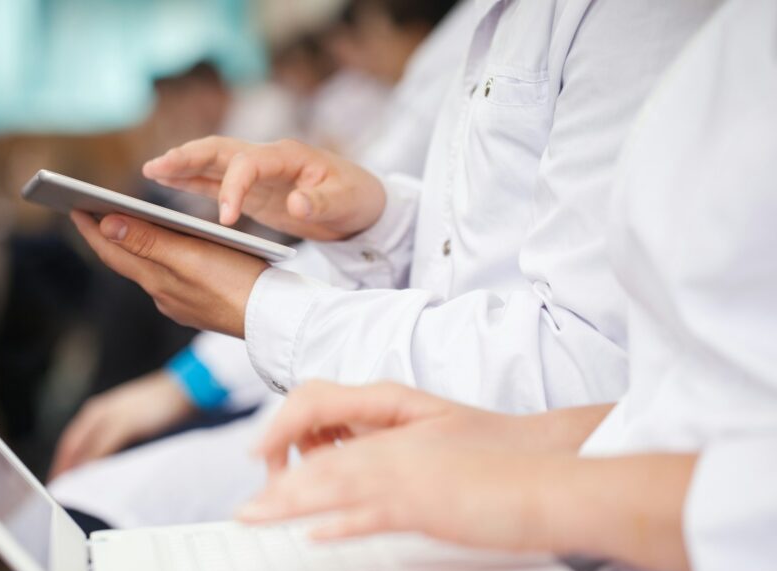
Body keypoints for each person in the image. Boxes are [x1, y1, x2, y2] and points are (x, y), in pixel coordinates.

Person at [0, 1, 776, 571]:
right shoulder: (515, 27)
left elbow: (594, 355)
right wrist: (375, 222)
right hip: (538, 468)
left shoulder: (660, 26)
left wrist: (266, 314)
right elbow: (533, 282)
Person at [45, 0, 714, 527]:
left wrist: (262, 310)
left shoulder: (643, 23)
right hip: (414, 426)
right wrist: (375, 219)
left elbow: (588, 372)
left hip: (514, 492)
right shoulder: (489, 25)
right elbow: (485, 246)